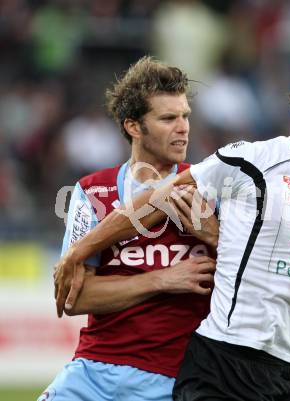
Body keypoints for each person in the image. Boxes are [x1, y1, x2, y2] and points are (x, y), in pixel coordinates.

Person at [54, 44, 290, 401]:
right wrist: (81, 254)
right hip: (202, 365)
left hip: (268, 370)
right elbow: (75, 295)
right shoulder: (245, 165)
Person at [40, 57, 219, 401]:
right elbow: (74, 299)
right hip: (91, 373)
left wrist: (217, 237)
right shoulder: (92, 191)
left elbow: (247, 277)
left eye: (185, 116)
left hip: (175, 380)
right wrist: (162, 279)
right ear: (134, 127)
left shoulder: (211, 188)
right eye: (168, 118)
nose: (183, 127)